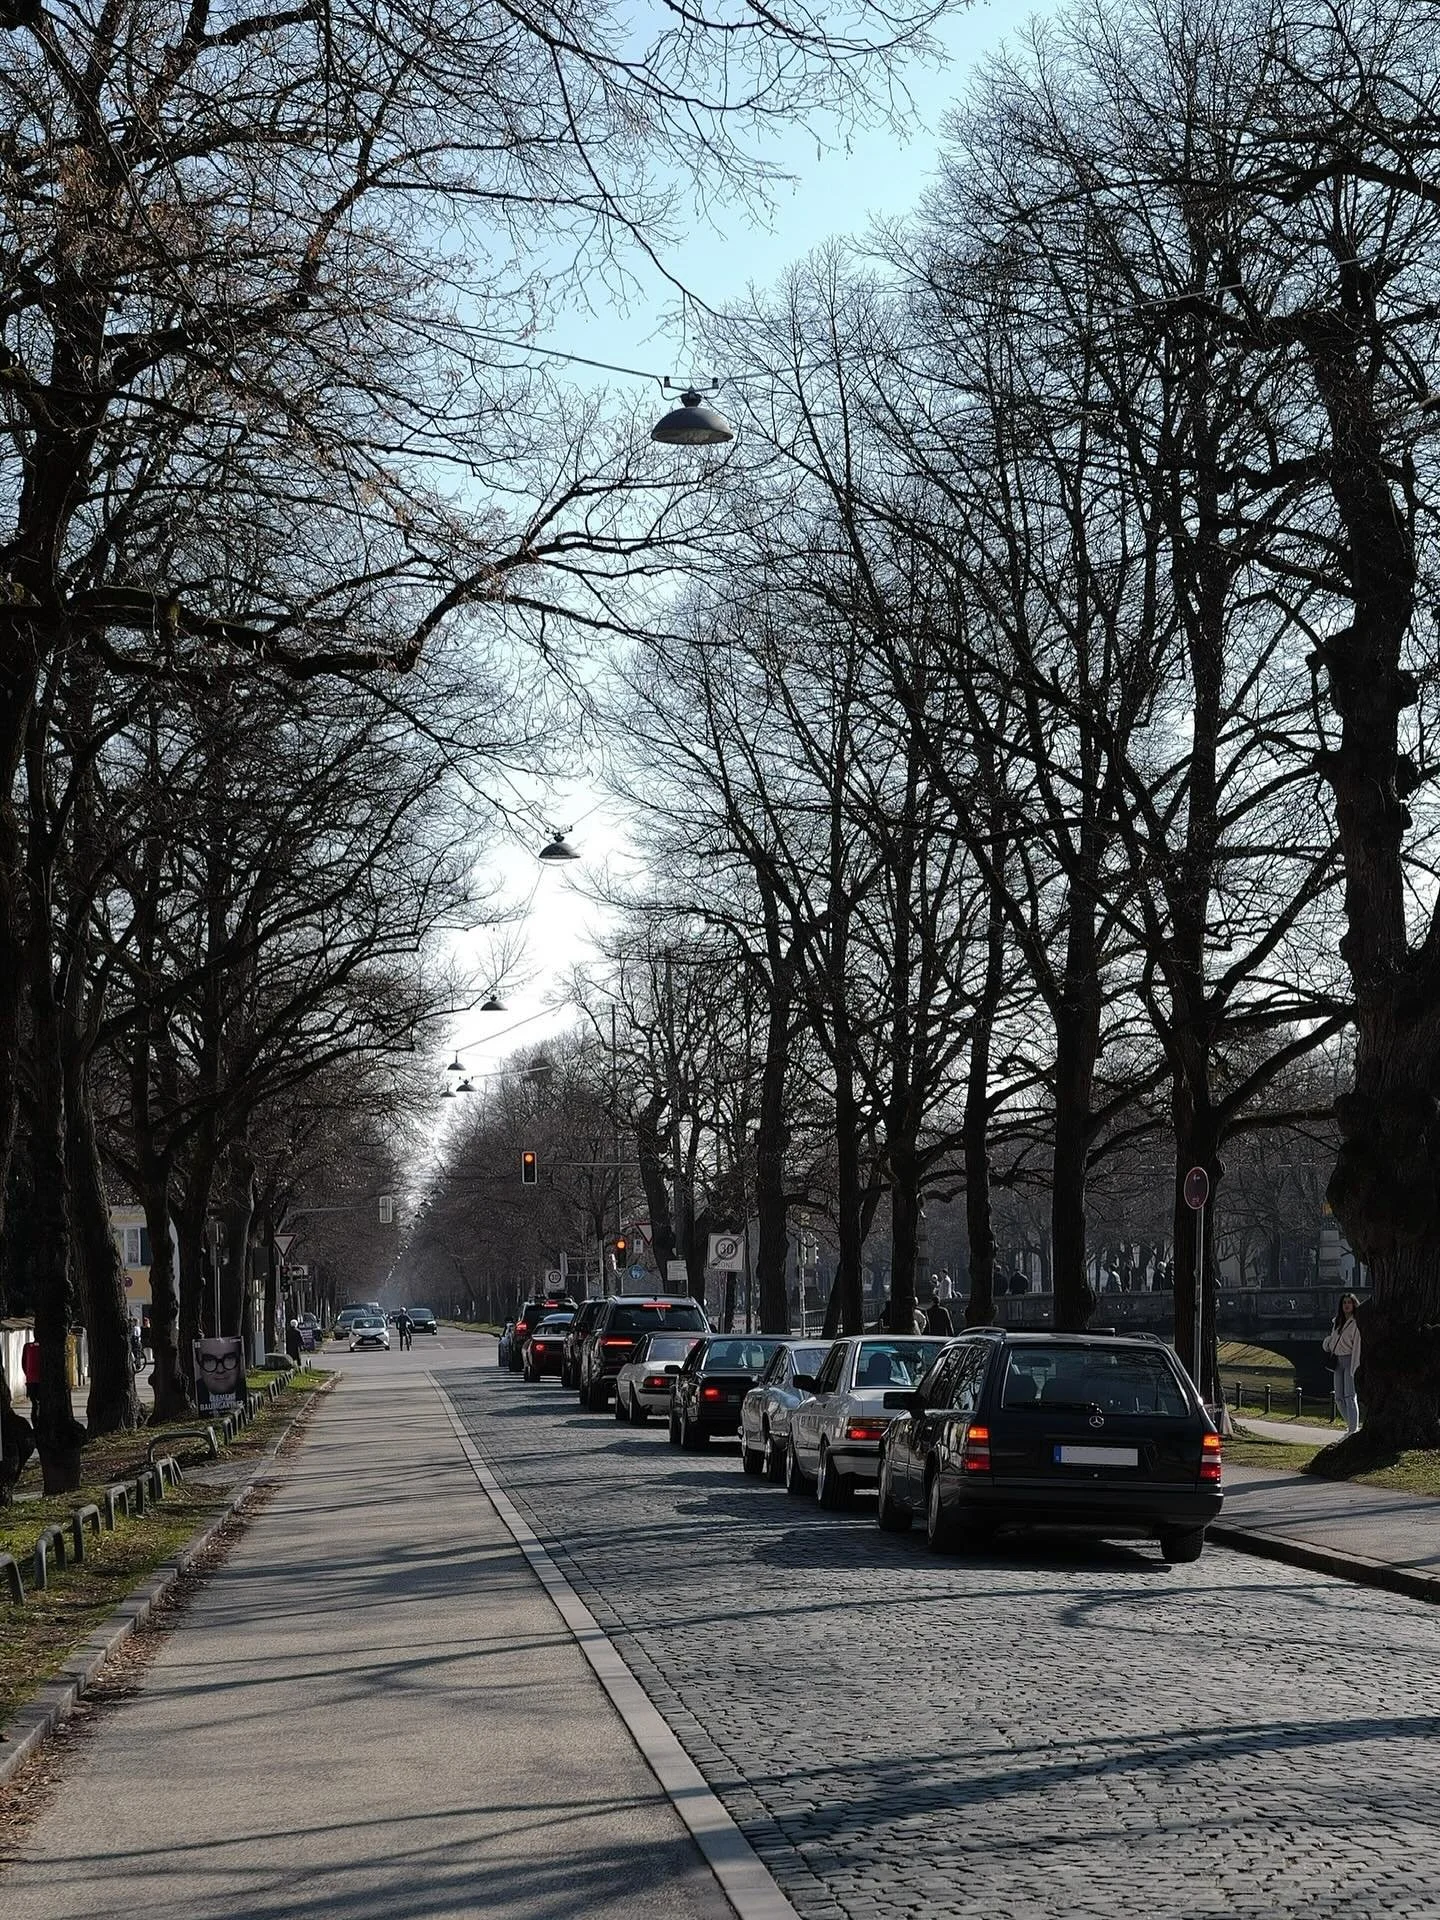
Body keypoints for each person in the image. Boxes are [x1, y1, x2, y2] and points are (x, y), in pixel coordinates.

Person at [1323, 1292, 1362, 1435]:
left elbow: (1357, 1346)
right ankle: (1351, 1425)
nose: (1346, 1305)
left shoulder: (1356, 1323)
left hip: (1350, 1360)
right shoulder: (1337, 1322)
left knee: (1350, 1396)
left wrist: (1355, 1366)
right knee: (1339, 1398)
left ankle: (1353, 1430)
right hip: (1337, 1362)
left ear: (1353, 1305)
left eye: (1349, 1302)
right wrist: (1327, 1343)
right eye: (1344, 1303)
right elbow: (1333, 1339)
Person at [20, 1333, 40, 1417]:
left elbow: (23, 1363)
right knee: (41, 1403)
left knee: (34, 1404)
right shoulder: (44, 1348)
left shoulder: (27, 1347)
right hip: (41, 1381)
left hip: (31, 1380)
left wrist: (28, 1374)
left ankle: (35, 1422)